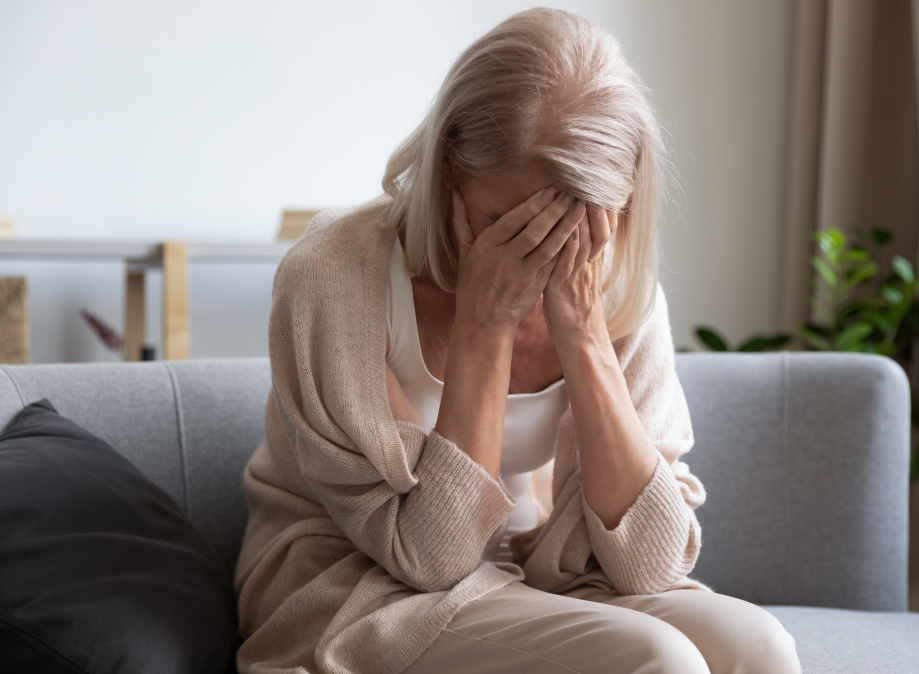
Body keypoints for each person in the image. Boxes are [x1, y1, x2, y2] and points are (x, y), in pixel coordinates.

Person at [234, 7, 802, 674]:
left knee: (760, 649)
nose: (541, 255)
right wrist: (484, 326)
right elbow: (432, 557)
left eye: (575, 226)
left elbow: (649, 564)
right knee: (660, 662)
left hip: (543, 574)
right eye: (509, 222)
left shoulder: (616, 287)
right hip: (366, 588)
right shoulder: (335, 277)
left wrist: (585, 337)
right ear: (449, 169)